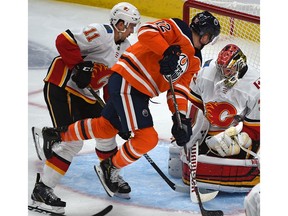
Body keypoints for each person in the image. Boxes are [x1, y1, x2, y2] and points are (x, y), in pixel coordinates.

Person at [38, 10, 220, 197]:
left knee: (105, 127)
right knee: (147, 138)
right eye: (210, 37)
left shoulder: (196, 60)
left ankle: (56, 134)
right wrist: (165, 51)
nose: (208, 40)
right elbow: (146, 31)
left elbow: (180, 88)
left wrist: (179, 117)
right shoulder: (178, 28)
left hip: (139, 91)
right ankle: (110, 168)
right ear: (206, 35)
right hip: (129, 81)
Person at [30, 2, 141, 213]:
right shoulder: (101, 32)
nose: (132, 30)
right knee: (73, 143)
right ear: (119, 23)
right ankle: (42, 191)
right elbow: (63, 40)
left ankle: (109, 171)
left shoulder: (126, 49)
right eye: (130, 25)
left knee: (107, 127)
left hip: (87, 95)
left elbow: (113, 84)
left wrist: (118, 115)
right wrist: (78, 65)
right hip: (62, 86)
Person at [168, 44, 260, 193]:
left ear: (239, 66)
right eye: (221, 68)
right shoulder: (205, 74)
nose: (224, 73)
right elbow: (195, 107)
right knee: (179, 152)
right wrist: (185, 126)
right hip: (210, 130)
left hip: (236, 133)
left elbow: (255, 131)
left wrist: (238, 141)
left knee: (227, 155)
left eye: (228, 69)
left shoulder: (256, 87)